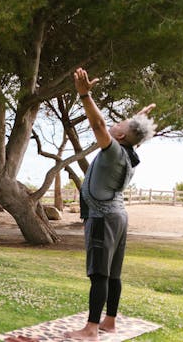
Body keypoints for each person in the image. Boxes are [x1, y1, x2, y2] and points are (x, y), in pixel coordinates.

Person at [65, 68, 157, 341]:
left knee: (99, 274)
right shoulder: (129, 151)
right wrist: (140, 117)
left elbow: (98, 125)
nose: (115, 123)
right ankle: (109, 322)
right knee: (113, 273)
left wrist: (84, 94)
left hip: (102, 217)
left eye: (121, 124)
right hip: (118, 215)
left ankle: (91, 329)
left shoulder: (114, 150)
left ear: (119, 137)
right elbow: (132, 133)